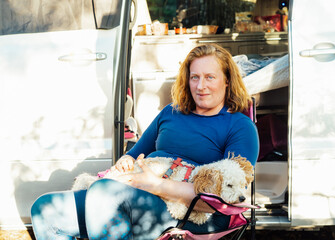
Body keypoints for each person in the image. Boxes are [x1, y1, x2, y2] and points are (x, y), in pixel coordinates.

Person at [31, 44, 259, 240]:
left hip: (192, 212)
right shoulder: (171, 112)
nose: (201, 86)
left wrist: (155, 185)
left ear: (227, 81)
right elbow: (133, 154)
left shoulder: (239, 126)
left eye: (210, 77)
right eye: (194, 77)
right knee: (45, 208)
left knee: (105, 193)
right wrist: (126, 162)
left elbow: (229, 196)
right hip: (141, 193)